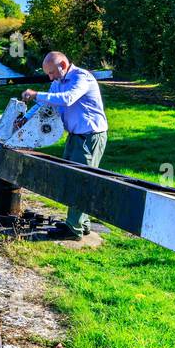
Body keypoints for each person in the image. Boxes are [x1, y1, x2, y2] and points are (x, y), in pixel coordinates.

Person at [22, 51, 108, 236]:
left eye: (52, 72)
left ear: (62, 65)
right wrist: (25, 118)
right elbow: (46, 104)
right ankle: (80, 224)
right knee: (72, 177)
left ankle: (73, 228)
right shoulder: (58, 82)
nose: (50, 77)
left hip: (90, 137)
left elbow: (67, 99)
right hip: (76, 135)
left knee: (81, 180)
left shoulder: (81, 78)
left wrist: (36, 94)